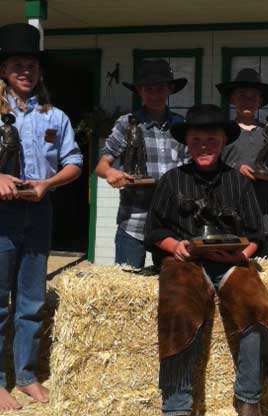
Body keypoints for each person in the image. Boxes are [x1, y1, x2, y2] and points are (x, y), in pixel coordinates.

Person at [145, 105, 268, 416]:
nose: (204, 146)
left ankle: (247, 397)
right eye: (196, 140)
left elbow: (256, 234)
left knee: (259, 308)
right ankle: (177, 405)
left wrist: (241, 255)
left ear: (223, 142)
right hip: (185, 262)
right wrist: (175, 246)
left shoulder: (239, 181)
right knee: (178, 309)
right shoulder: (171, 180)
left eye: (211, 139)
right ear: (188, 143)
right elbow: (153, 229)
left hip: (231, 261)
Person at [0, 23, 82, 410]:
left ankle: (27, 376)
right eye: (17, 64)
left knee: (31, 301)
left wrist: (48, 184)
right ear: (3, 70)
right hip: (1, 216)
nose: (25, 71)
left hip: (39, 211)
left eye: (31, 65)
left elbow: (75, 162)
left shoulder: (56, 116)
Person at [95, 59, 188, 268]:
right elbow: (101, 165)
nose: (155, 94)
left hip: (172, 223)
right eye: (149, 89)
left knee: (172, 288)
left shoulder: (181, 125)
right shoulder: (126, 123)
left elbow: (191, 166)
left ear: (170, 89)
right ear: (139, 91)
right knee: (127, 291)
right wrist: (111, 173)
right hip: (134, 220)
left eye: (160, 88)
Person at [216, 68, 268, 257]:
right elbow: (209, 167)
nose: (248, 100)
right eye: (242, 95)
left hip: (263, 219)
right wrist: (235, 168)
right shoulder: (221, 132)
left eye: (253, 97)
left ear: (260, 101)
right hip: (229, 219)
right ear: (232, 99)